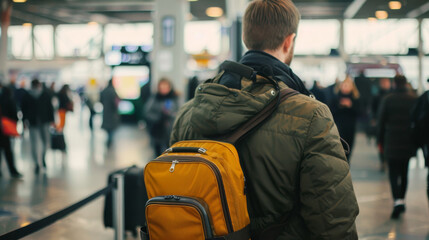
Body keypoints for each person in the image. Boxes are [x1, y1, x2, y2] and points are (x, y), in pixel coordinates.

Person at [170, 1, 359, 239]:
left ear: (247, 38)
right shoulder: (312, 115)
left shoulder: (188, 113)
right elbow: (333, 220)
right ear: (289, 41)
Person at [377, 74, 418, 219]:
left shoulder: (388, 100)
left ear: (394, 83)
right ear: (406, 83)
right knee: (404, 172)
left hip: (391, 141)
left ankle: (397, 201)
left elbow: (381, 122)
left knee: (393, 173)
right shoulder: (414, 99)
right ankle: (402, 199)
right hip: (408, 141)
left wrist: (379, 141)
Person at [21, 79, 55, 174]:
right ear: (39, 84)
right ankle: (42, 159)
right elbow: (50, 108)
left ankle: (37, 162)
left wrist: (24, 121)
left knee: (34, 143)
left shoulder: (27, 95)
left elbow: (23, 110)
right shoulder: (45, 94)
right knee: (46, 142)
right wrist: (52, 120)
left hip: (33, 122)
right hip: (43, 121)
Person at [145, 78, 178, 157]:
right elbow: (147, 113)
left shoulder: (174, 98)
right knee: (157, 153)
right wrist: (158, 117)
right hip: (157, 130)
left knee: (170, 153)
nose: (164, 89)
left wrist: (171, 115)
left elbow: (179, 112)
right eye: (162, 87)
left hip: (171, 131)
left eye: (165, 87)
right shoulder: (154, 98)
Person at [331, 76, 360, 162]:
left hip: (351, 127)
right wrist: (340, 106)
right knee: (339, 148)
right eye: (344, 85)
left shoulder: (355, 98)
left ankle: (347, 164)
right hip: (338, 126)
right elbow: (331, 111)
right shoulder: (335, 98)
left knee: (349, 148)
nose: (346, 87)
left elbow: (360, 112)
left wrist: (350, 106)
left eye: (348, 85)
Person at [0, 85, 22, 178]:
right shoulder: (9, 98)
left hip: (3, 128)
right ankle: (12, 170)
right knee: (8, 150)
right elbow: (14, 113)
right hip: (5, 129)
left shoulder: (4, 98)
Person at [371, 78, 391, 171]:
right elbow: (373, 108)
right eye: (383, 83)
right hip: (380, 122)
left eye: (386, 82)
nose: (385, 84)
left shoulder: (391, 95)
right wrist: (374, 118)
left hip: (389, 123)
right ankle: (383, 160)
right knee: (380, 141)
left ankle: (386, 160)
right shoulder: (377, 96)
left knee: (387, 142)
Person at [100, 79, 120, 148]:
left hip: (106, 111)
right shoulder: (113, 91)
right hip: (112, 112)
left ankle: (109, 139)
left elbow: (100, 100)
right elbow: (116, 101)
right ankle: (109, 140)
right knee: (111, 127)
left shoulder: (104, 91)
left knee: (108, 127)